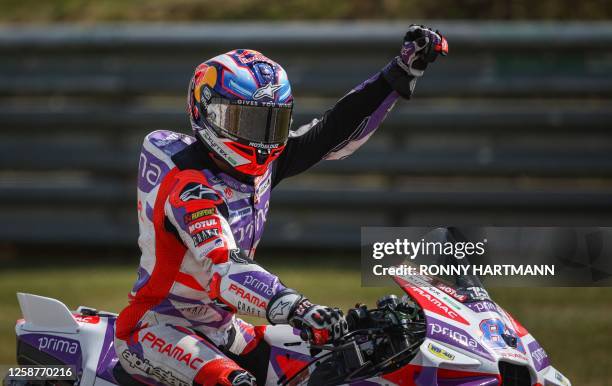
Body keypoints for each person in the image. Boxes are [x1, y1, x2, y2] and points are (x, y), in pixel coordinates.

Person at [114, 25, 447, 386]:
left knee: (346, 359)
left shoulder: (263, 165)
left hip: (224, 330)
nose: (262, 139)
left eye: (273, 123)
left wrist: (399, 72)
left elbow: (332, 131)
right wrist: (299, 309)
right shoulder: (189, 184)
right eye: (247, 121)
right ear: (207, 111)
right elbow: (226, 269)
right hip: (156, 329)